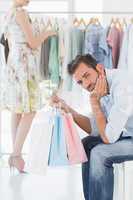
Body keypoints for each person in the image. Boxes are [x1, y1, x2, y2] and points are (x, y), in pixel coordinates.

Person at [51, 54, 133, 200]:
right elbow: (96, 128)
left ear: (99, 68)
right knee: (86, 144)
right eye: (80, 82)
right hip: (129, 134)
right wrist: (68, 109)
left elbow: (108, 137)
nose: (86, 84)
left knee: (100, 153)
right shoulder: (101, 88)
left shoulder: (122, 85)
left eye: (87, 75)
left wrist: (95, 103)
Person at [0, 0, 56, 173]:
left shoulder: (8, 13)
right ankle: (16, 155)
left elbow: (9, 43)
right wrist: (47, 33)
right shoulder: (21, 12)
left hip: (15, 62)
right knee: (30, 110)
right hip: (24, 62)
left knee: (18, 110)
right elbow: (32, 42)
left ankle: (16, 156)